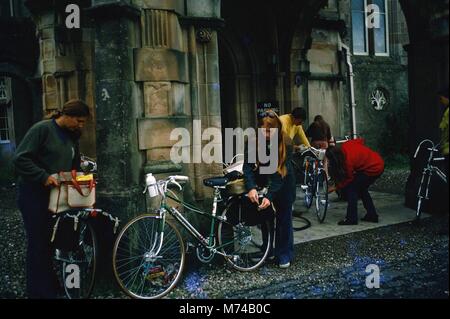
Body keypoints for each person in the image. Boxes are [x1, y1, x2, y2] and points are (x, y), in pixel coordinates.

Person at [13, 99, 90, 298]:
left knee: (50, 241)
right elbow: (20, 158)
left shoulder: (72, 136)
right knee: (37, 242)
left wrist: (81, 178)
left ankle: (50, 284)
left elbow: (74, 166)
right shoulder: (42, 130)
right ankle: (38, 292)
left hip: (56, 197)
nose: (81, 125)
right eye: (79, 121)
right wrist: (43, 176)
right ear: (68, 115)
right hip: (33, 194)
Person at [243, 110, 296, 268]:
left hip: (284, 182)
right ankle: (268, 249)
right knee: (265, 216)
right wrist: (251, 187)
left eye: (269, 130)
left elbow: (280, 175)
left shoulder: (286, 143)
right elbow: (247, 166)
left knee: (283, 218)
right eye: (262, 130)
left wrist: (270, 196)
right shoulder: (253, 141)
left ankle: (284, 252)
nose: (265, 133)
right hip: (264, 181)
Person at [325, 139, 384, 225]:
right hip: (377, 161)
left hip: (373, 168)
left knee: (352, 189)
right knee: (361, 189)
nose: (329, 162)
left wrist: (335, 187)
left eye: (330, 161)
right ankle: (372, 215)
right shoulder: (346, 144)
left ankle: (351, 218)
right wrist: (362, 154)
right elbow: (360, 140)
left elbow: (349, 179)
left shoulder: (348, 161)